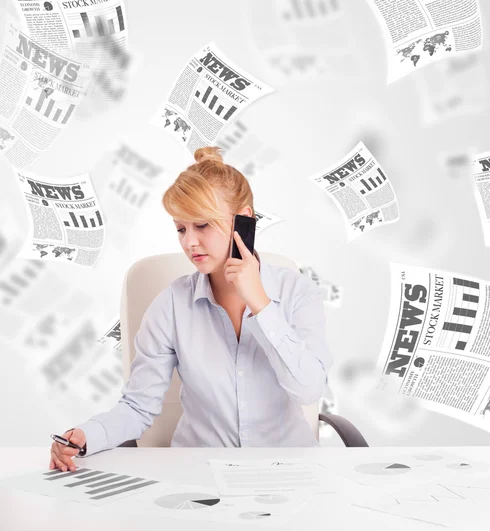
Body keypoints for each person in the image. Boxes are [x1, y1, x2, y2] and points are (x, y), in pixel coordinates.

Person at [49, 146, 333, 472]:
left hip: (289, 473)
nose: (189, 243)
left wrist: (261, 303)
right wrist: (85, 435)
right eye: (181, 229)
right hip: (202, 475)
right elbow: (138, 406)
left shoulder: (298, 291)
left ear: (245, 220)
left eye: (202, 225)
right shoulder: (170, 305)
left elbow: (309, 389)